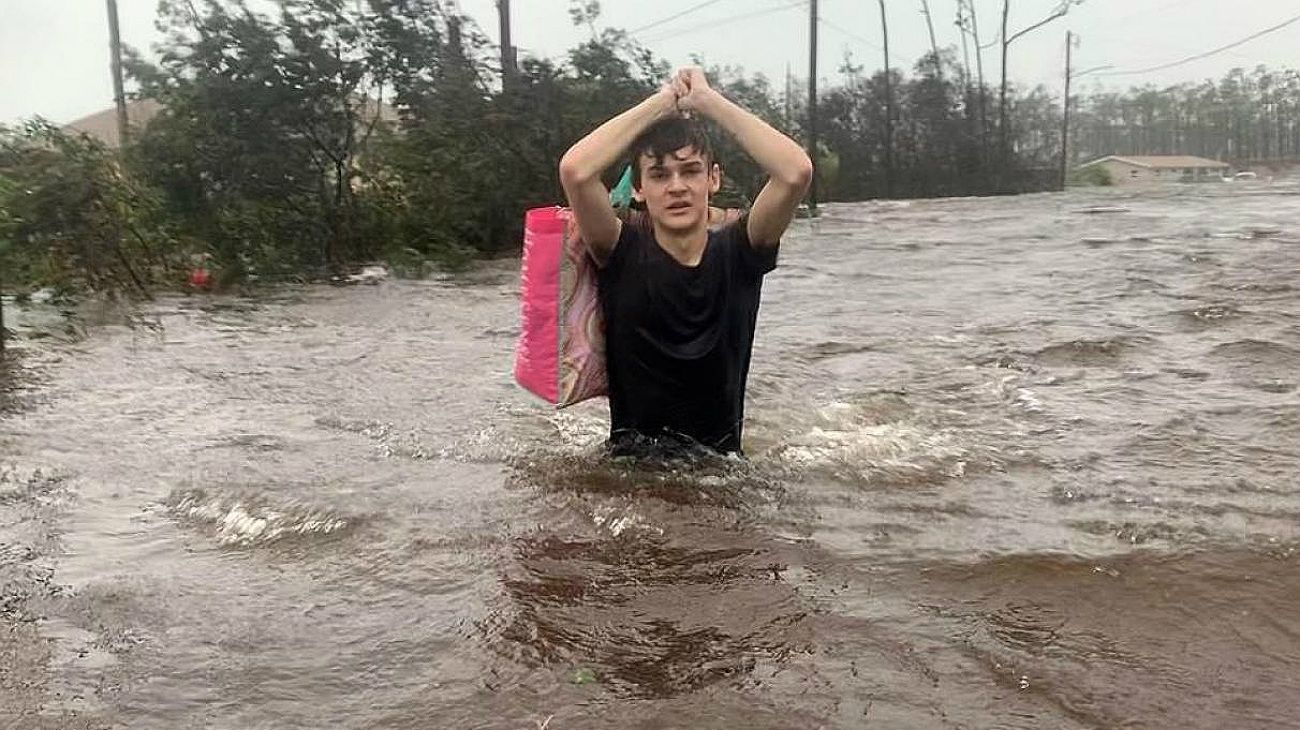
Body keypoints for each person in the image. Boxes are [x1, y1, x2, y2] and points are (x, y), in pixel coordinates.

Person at [558, 67, 813, 456]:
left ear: (713, 179)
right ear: (639, 189)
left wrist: (708, 103)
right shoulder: (618, 249)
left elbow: (795, 173)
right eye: (660, 175)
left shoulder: (741, 251)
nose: (677, 186)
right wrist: (663, 102)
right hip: (630, 472)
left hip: (722, 471)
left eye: (690, 171)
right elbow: (576, 171)